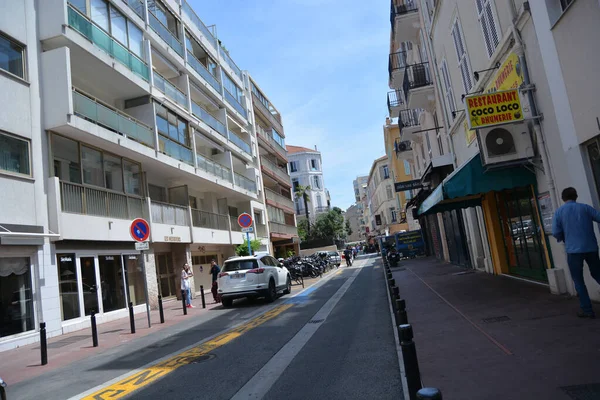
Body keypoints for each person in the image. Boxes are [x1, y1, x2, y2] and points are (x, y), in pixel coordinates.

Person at [552, 187, 600, 318]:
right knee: (597, 273)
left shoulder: (559, 212)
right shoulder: (585, 208)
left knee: (578, 280)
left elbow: (555, 232)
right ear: (576, 196)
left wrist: (562, 237)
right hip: (591, 247)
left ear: (563, 198)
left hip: (573, 250)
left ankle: (587, 310)